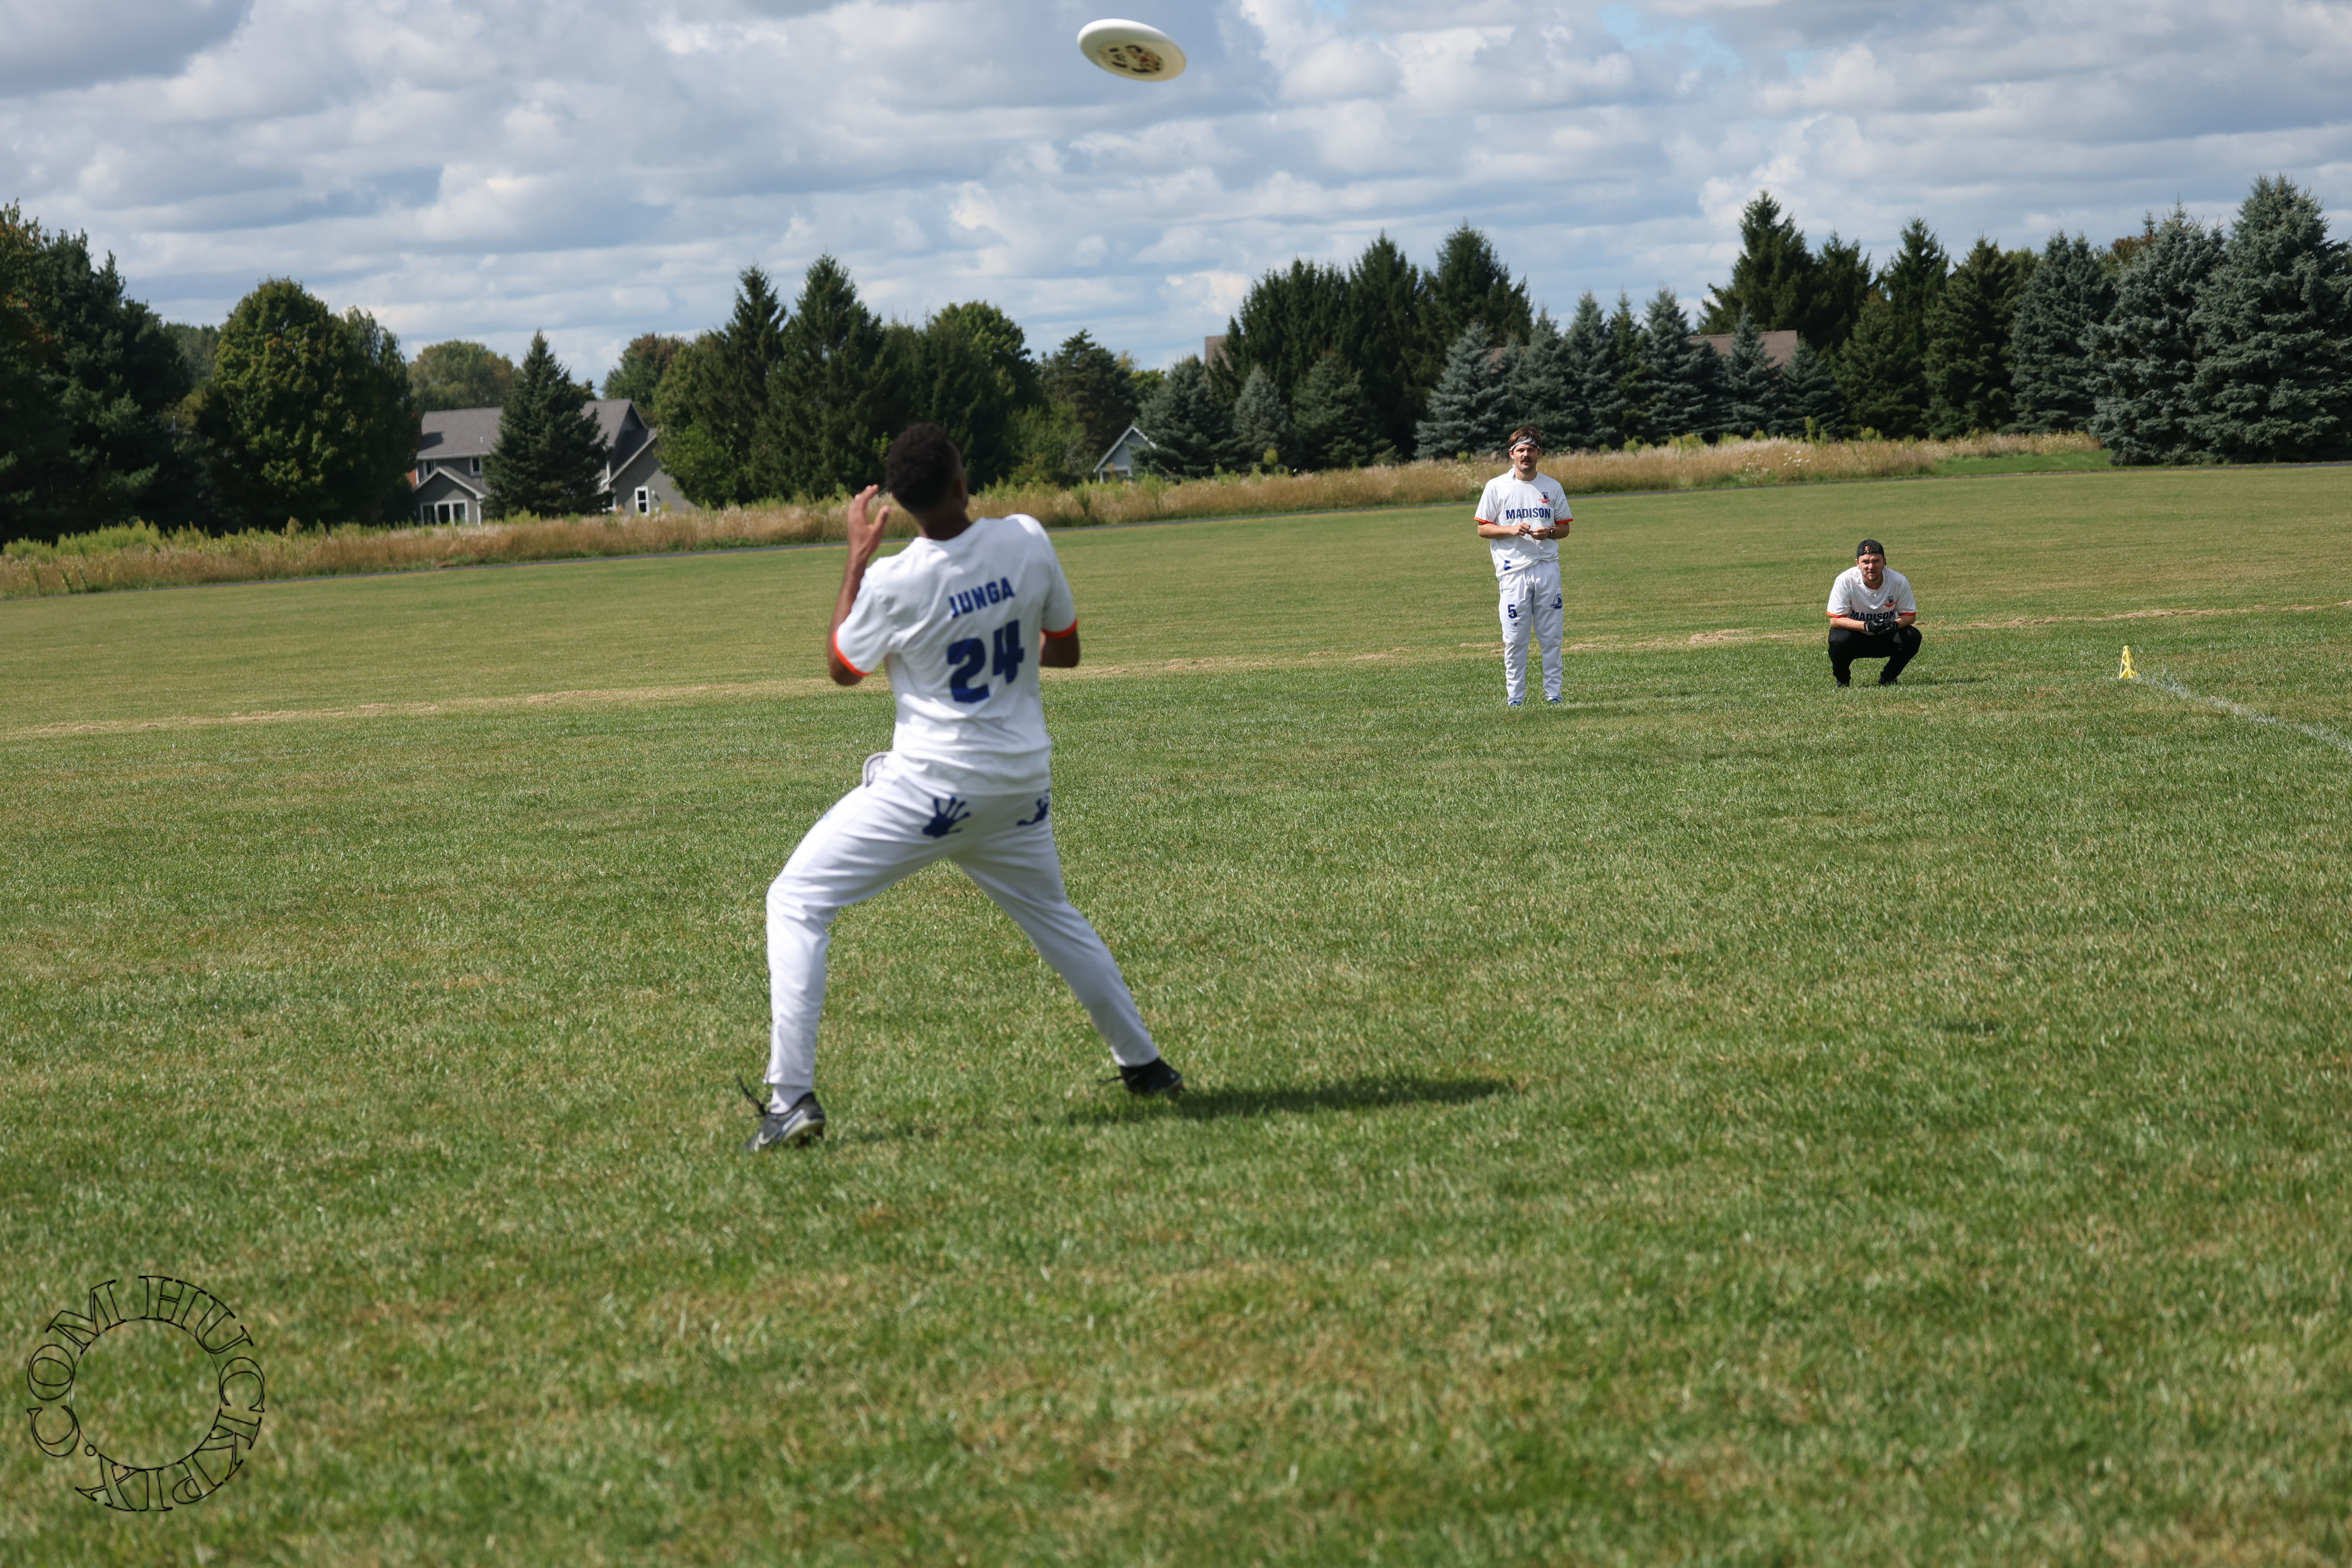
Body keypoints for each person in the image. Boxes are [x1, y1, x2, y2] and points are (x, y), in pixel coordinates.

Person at [744, 423, 1182, 1151]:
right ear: (961, 483)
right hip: (1019, 786)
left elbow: (842, 669)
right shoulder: (1028, 539)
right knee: (1056, 918)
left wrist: (856, 558)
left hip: (933, 793)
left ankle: (791, 1100)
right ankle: (1146, 1066)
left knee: (796, 899)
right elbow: (1065, 650)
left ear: (901, 507)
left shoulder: (893, 580)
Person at [1472, 426, 1573, 706]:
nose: (1526, 454)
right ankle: (1515, 698)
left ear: (1539, 453)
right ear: (1512, 454)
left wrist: (1549, 532)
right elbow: (1483, 529)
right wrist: (1511, 529)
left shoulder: (1552, 487)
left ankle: (1554, 694)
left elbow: (1564, 529)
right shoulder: (1497, 486)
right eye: (1521, 450)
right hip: (1513, 572)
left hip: (1546, 570)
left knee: (1551, 637)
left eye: (1531, 449)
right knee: (1515, 640)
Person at [1825, 538, 1921, 687]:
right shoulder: (1845, 580)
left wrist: (1894, 626)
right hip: (1855, 637)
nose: (1871, 567)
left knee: (1912, 636)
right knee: (1839, 640)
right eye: (1866, 562)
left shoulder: (1898, 581)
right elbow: (1836, 621)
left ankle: (1888, 678)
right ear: (1857, 563)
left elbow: (1910, 616)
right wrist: (1867, 626)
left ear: (1885, 562)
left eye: (1876, 561)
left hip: (1885, 636)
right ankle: (1843, 680)